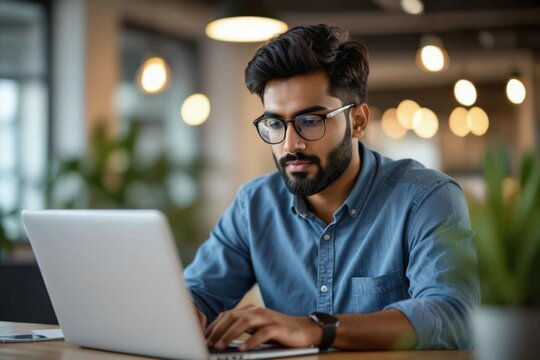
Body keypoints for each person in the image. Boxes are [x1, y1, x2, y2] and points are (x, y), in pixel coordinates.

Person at [184, 24, 479, 352]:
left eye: (311, 121)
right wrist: (184, 314)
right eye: (275, 123)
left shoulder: (426, 198)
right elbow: (195, 295)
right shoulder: (254, 205)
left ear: (359, 121)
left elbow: (453, 316)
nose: (290, 143)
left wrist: (316, 329)